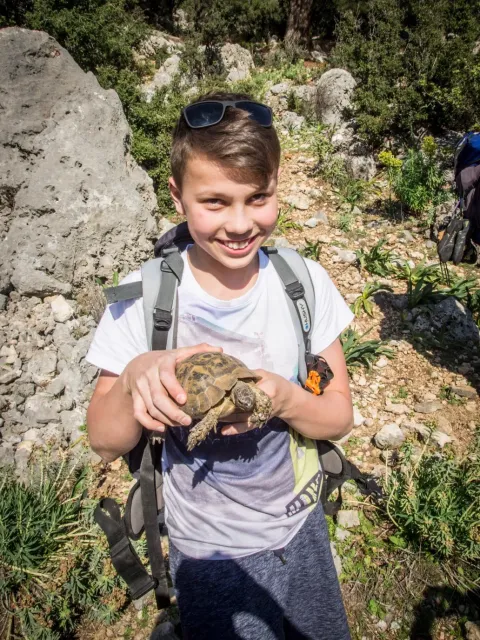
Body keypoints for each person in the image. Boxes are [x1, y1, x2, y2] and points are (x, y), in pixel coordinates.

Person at [86, 91, 354, 640]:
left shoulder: (304, 284)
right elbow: (104, 441)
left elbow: (338, 417)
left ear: (277, 184)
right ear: (177, 197)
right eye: (214, 201)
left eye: (258, 197)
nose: (239, 223)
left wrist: (286, 399)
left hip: (302, 525)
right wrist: (135, 377)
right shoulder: (143, 300)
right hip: (209, 550)